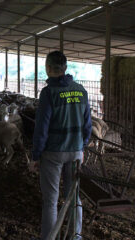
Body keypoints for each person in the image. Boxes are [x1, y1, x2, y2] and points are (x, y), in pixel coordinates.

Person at [29, 51, 92, 240]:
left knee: (51, 200)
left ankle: (49, 237)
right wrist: (81, 146)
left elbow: (42, 128)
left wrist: (35, 155)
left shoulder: (49, 93)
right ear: (65, 68)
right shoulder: (81, 90)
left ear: (48, 68)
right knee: (74, 197)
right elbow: (88, 125)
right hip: (75, 152)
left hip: (53, 153)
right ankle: (76, 236)